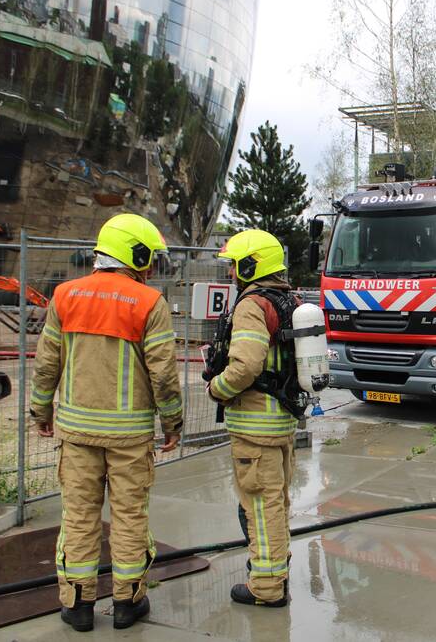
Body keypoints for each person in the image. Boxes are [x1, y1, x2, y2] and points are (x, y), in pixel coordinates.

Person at [30, 214, 183, 632]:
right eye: (149, 258)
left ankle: (77, 605)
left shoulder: (64, 296)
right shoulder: (149, 303)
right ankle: (127, 603)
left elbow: (46, 364)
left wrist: (41, 412)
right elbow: (163, 374)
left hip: (77, 434)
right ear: (136, 254)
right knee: (129, 517)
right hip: (130, 437)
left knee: (79, 517)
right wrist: (172, 423)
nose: (151, 267)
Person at [207, 229, 298, 608]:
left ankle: (267, 587)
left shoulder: (251, 305)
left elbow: (245, 366)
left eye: (234, 265)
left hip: (255, 425)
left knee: (261, 507)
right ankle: (275, 570)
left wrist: (217, 388)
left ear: (250, 266)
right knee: (275, 503)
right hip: (282, 421)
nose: (230, 273)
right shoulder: (288, 300)